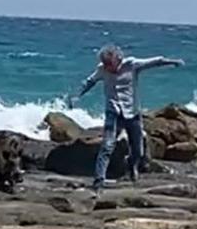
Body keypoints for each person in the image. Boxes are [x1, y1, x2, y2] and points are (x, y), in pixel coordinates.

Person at [70, 44, 184, 196]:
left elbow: (154, 62)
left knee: (138, 150)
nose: (108, 68)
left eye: (110, 64)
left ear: (118, 59)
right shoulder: (102, 69)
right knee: (107, 147)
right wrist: (77, 95)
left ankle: (131, 165)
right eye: (105, 64)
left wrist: (173, 61)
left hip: (133, 113)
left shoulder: (131, 64)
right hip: (113, 113)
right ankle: (98, 182)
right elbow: (90, 81)